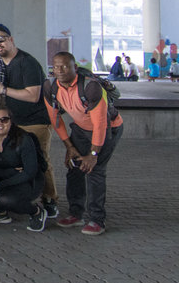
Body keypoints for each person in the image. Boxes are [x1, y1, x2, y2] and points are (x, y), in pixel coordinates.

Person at [43, 52, 123, 235]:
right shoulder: (50, 86)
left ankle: (97, 220)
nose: (60, 70)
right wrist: (69, 147)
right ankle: (76, 214)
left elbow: (101, 124)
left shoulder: (91, 87)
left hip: (108, 128)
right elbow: (55, 119)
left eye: (65, 66)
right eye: (56, 67)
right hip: (80, 128)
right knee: (74, 167)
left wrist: (93, 154)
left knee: (93, 170)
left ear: (75, 68)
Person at [0, 24, 58, 217]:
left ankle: (49, 200)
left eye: (1, 39)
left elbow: (33, 95)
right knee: (12, 163)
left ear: (11, 39)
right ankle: (17, 197)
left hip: (35, 121)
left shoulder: (27, 62)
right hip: (11, 123)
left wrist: (4, 91)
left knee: (41, 160)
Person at [0, 104, 48, 232]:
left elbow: (30, 172)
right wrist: (8, 173)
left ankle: (37, 212)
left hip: (29, 181)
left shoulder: (24, 139)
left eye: (4, 119)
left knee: (7, 200)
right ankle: (1, 213)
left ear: (11, 121)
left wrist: (2, 184)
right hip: (6, 175)